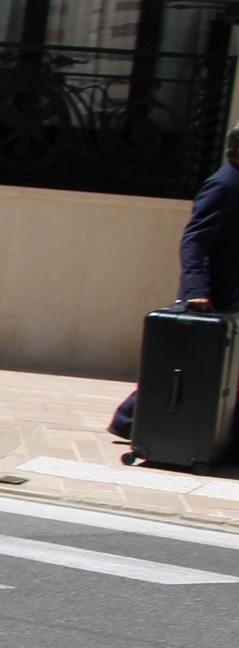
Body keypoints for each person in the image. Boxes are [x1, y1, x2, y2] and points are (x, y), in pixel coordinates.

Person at [110, 127, 239, 438]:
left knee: (211, 366)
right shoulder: (224, 184)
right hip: (210, 294)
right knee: (182, 362)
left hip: (228, 293)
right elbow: (194, 239)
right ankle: (129, 421)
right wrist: (196, 289)